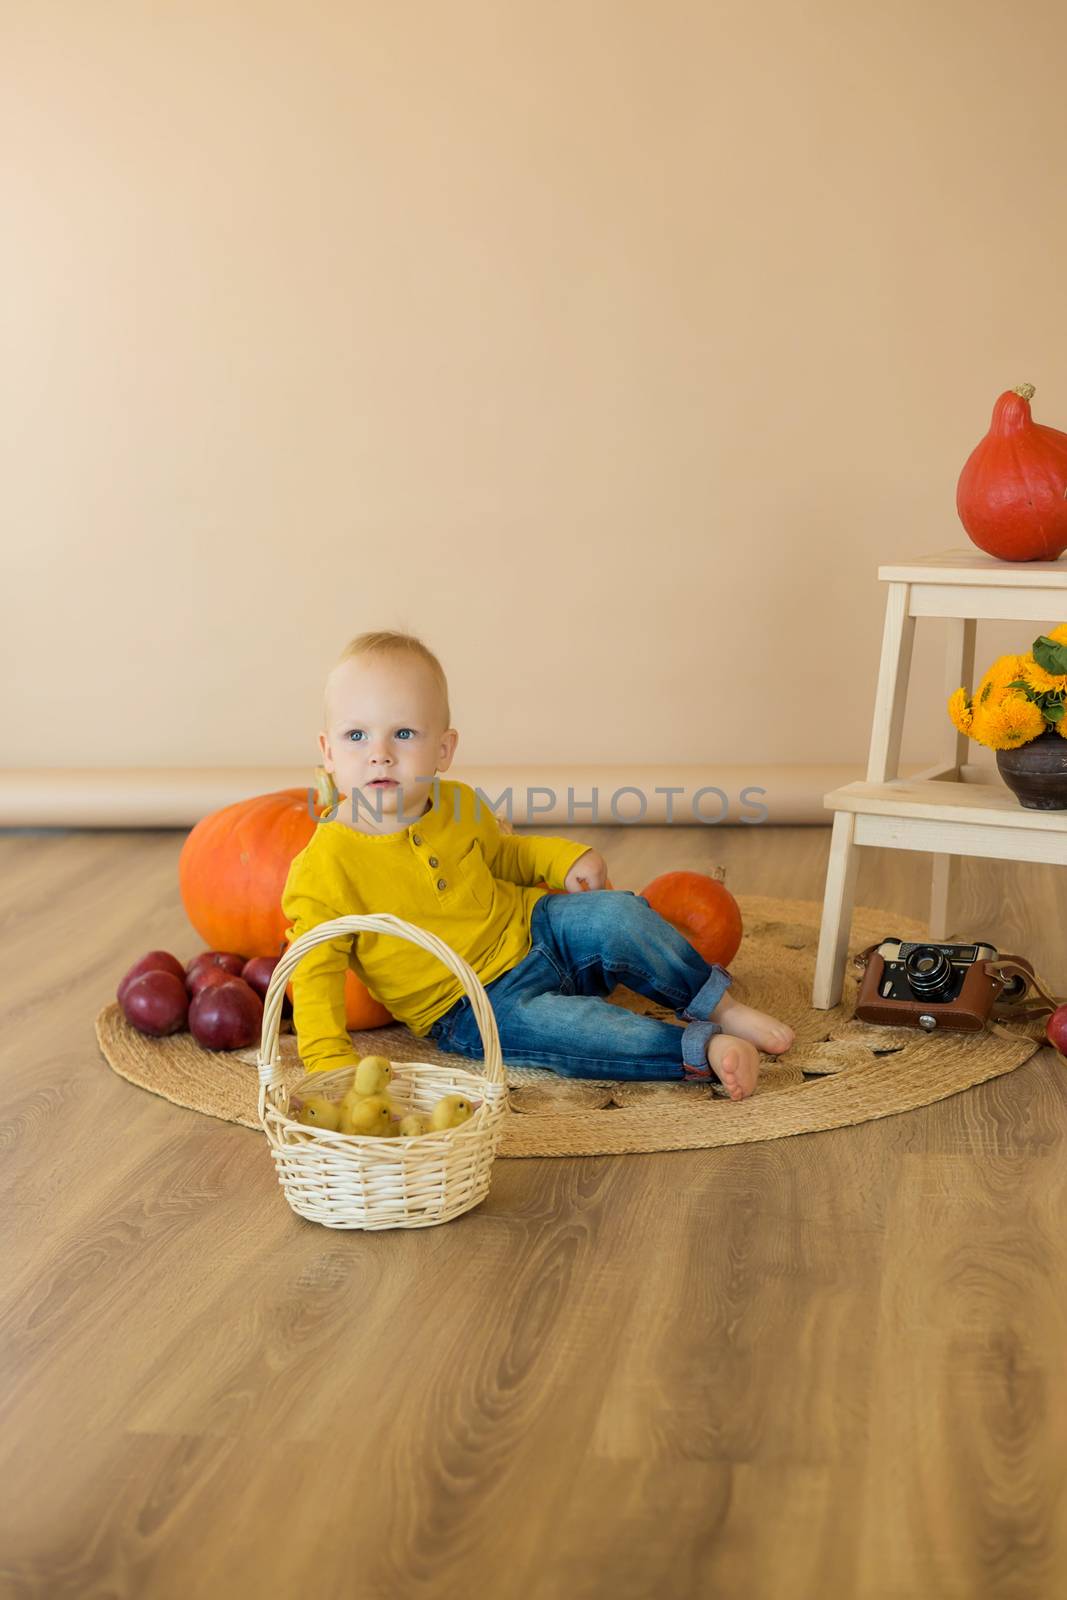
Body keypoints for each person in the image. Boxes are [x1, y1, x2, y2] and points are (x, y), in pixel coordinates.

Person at [280, 630, 795, 1102]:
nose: (381, 755)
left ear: (444, 749)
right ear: (327, 752)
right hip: (469, 1005)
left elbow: (509, 855)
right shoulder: (325, 866)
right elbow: (316, 973)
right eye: (356, 737)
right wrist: (330, 1064)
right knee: (579, 1031)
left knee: (617, 913)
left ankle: (716, 1003)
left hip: (537, 928)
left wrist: (565, 859)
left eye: (405, 734)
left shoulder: (457, 803)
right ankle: (700, 1048)